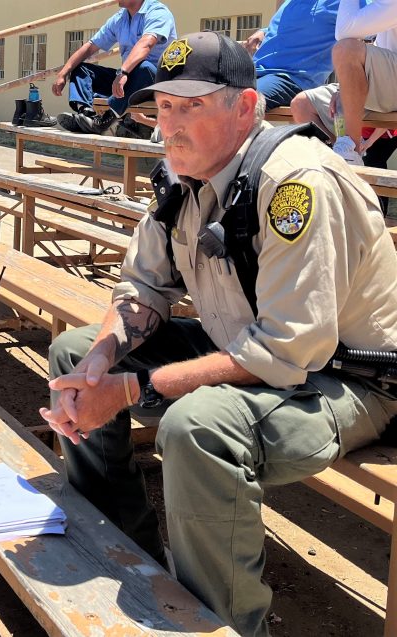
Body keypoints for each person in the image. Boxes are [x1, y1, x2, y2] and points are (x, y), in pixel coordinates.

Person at [42, 32, 397, 636]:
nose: (170, 125)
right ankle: (123, 551)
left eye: (193, 105)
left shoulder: (296, 181)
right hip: (250, 344)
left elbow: (289, 348)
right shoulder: (182, 173)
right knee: (75, 351)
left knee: (198, 428)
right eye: (164, 106)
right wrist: (102, 361)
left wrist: (131, 390)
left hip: (347, 378)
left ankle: (226, 624)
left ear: (245, 108)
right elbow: (143, 286)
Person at [290, 0, 397, 164]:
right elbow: (381, 50)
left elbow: (345, 31)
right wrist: (345, 87)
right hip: (386, 86)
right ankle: (340, 160)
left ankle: (350, 150)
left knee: (345, 48)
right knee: (302, 105)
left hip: (390, 89)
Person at [51, 0, 176, 138]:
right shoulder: (119, 19)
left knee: (144, 67)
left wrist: (123, 72)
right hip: (127, 80)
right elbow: (90, 47)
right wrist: (63, 73)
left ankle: (104, 121)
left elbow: (146, 44)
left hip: (155, 83)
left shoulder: (158, 12)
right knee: (81, 69)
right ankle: (86, 114)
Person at [242, 0, 343, 110]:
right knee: (228, 93)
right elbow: (298, 24)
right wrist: (264, 31)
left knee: (243, 102)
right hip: (255, 72)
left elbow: (355, 33)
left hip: (291, 79)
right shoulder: (288, 3)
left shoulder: (339, 4)